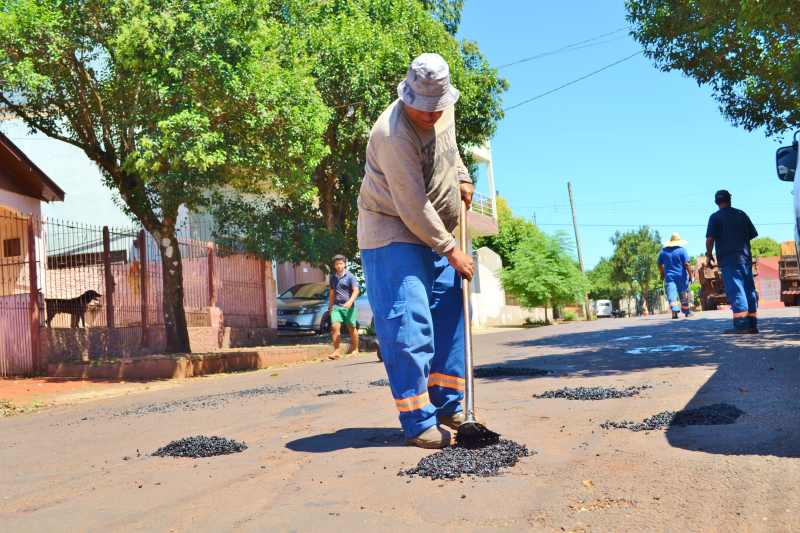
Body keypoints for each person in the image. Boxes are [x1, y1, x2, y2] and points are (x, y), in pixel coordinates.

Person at [357, 53, 479, 449]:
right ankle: (417, 419)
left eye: (437, 107)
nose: (431, 115)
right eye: (423, 109)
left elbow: (451, 149)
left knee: (450, 312)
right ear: (406, 95)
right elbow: (411, 205)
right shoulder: (392, 134)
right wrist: (450, 249)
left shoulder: (443, 110)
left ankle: (446, 403)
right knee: (410, 326)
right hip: (393, 230)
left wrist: (461, 175)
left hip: (437, 231)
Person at [706, 190, 759, 334]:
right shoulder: (742, 214)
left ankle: (742, 325)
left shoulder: (715, 217)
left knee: (736, 290)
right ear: (730, 199)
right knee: (749, 290)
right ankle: (753, 324)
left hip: (729, 260)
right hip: (745, 259)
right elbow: (752, 234)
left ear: (716, 202)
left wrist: (709, 255)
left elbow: (710, 239)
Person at [328, 255, 360, 359]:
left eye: (341, 263)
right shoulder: (332, 278)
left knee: (351, 328)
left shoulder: (350, 276)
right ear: (334, 265)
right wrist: (331, 307)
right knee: (334, 327)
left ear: (344, 264)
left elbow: (356, 290)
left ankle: (356, 349)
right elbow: (332, 293)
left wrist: (350, 302)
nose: (339, 265)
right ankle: (336, 351)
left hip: (349, 307)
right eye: (337, 264)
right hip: (337, 306)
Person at [658, 233, 695, 319]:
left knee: (671, 292)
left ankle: (674, 311)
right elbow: (687, 264)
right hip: (682, 276)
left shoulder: (663, 251)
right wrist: (691, 276)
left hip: (669, 277)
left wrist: (662, 273)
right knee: (684, 293)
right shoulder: (682, 250)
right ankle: (687, 312)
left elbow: (659, 264)